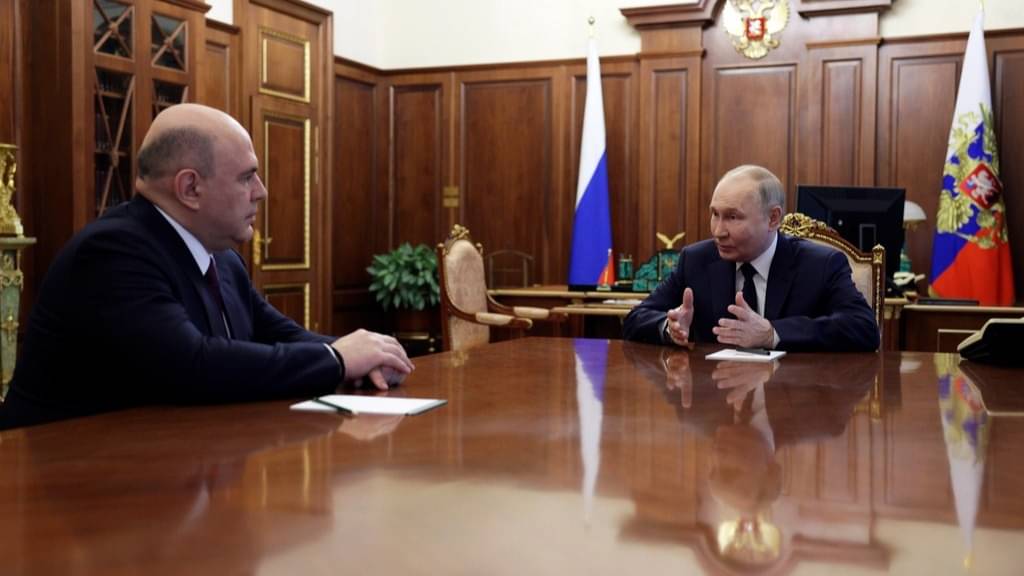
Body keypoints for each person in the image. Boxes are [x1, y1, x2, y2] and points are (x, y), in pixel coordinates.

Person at [0, 103, 414, 429]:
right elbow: (193, 364)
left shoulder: (222, 258)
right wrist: (337, 360)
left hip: (169, 473)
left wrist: (364, 357)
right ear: (190, 188)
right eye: (247, 177)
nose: (262, 192)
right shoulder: (113, 252)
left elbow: (281, 335)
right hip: (65, 485)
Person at [623, 165, 879, 352]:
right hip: (716, 410)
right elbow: (637, 318)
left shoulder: (821, 264)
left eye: (733, 217)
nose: (718, 231)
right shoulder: (696, 260)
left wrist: (773, 333)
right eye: (715, 214)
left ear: (773, 218)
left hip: (793, 409)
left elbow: (864, 328)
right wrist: (670, 328)